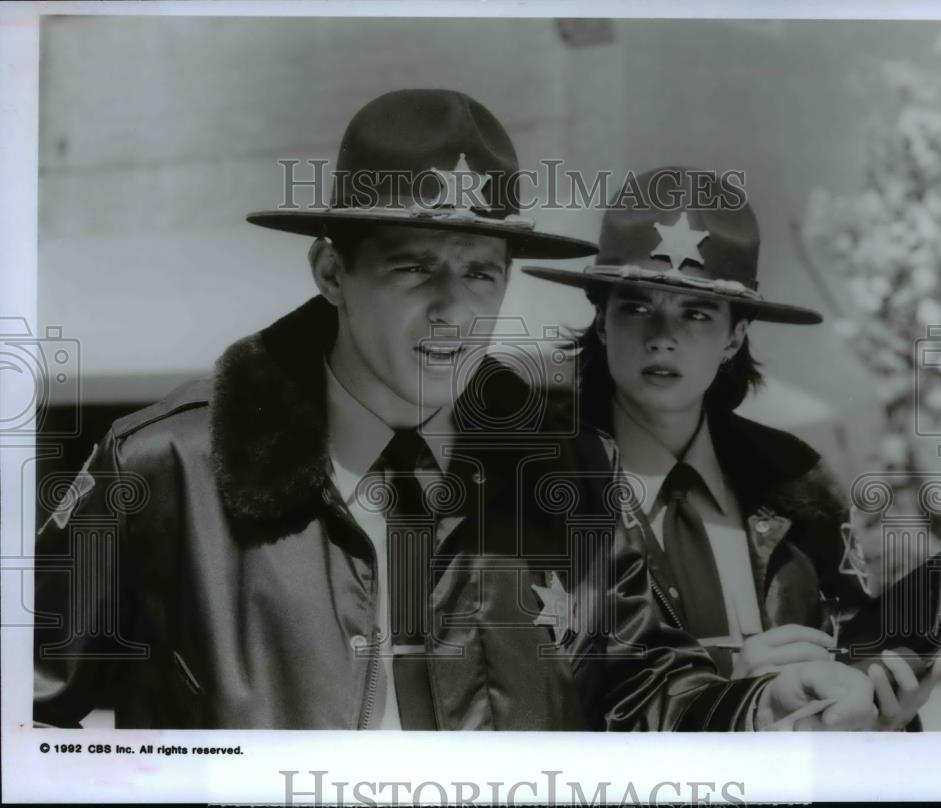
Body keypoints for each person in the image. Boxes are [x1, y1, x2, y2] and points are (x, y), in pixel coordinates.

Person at [34, 95, 876, 731]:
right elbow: (31, 722)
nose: (453, 311)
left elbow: (642, 686)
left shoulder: (571, 477)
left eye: (481, 273)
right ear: (331, 271)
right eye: (413, 269)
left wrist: (758, 711)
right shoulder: (165, 469)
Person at [525, 167, 941, 731]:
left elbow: (851, 649)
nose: (661, 336)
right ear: (600, 321)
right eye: (635, 306)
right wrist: (733, 695)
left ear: (735, 336)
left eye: (696, 313)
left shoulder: (798, 480)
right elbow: (528, 691)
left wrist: (876, 712)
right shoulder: (539, 482)